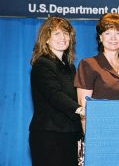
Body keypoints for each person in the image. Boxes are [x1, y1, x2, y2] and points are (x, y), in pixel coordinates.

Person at [29, 17, 83, 166]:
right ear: (46, 38)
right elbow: (54, 95)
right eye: (57, 34)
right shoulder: (42, 64)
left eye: (66, 33)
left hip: (70, 134)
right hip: (49, 136)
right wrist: (80, 109)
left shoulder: (70, 66)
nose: (63, 38)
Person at [74, 13, 119, 132]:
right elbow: (84, 108)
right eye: (108, 33)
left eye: (118, 33)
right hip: (99, 130)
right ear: (100, 37)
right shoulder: (88, 64)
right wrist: (88, 139)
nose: (113, 38)